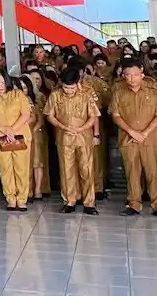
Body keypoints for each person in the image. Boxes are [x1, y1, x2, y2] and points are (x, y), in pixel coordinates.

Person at [110, 58, 157, 217]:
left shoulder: (153, 91)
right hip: (128, 139)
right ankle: (134, 204)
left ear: (142, 74)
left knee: (153, 172)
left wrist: (144, 133)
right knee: (132, 172)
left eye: (135, 75)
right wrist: (132, 132)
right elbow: (116, 116)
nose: (131, 78)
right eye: (127, 75)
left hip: (151, 138)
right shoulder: (118, 93)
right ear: (123, 76)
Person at [45, 68, 100, 215]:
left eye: (72, 88)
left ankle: (89, 203)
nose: (69, 91)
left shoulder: (86, 95)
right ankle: (70, 201)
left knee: (86, 169)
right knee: (66, 170)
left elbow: (93, 116)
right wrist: (62, 126)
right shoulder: (55, 95)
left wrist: (81, 128)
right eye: (66, 87)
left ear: (78, 83)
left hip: (84, 138)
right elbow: (50, 116)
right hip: (64, 137)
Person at [0, 69, 32, 211]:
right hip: (0, 136)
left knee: (21, 168)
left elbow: (26, 114)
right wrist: (4, 129)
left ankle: (21, 199)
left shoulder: (18, 94)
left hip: (19, 135)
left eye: (2, 83)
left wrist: (12, 130)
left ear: (7, 82)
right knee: (5, 169)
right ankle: (10, 198)